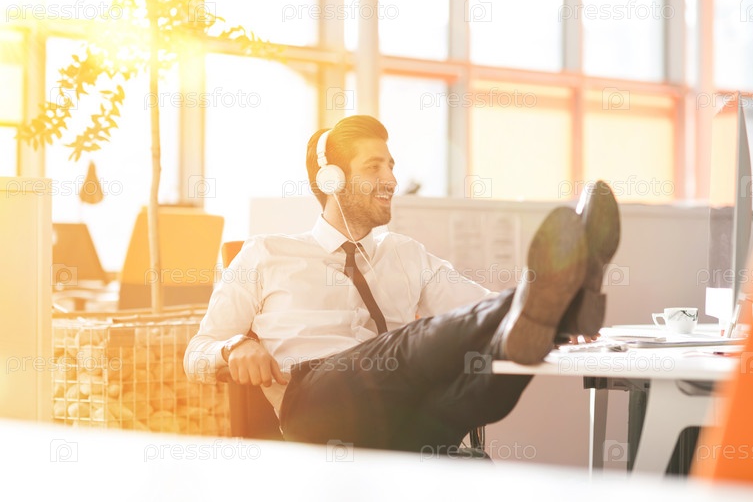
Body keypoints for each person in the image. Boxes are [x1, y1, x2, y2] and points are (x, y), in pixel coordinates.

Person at [184, 115, 620, 452]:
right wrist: (233, 347)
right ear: (331, 180)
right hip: (315, 406)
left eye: (391, 166)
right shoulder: (266, 253)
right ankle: (557, 297)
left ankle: (559, 309)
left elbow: (477, 309)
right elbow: (197, 351)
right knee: (410, 342)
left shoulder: (405, 253)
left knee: (485, 377)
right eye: (374, 167)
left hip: (398, 412)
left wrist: (548, 315)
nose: (391, 180)